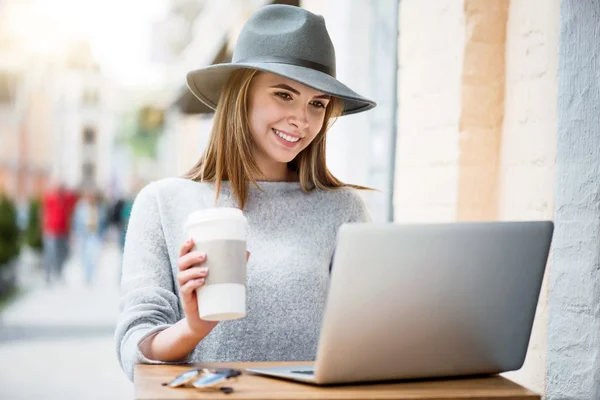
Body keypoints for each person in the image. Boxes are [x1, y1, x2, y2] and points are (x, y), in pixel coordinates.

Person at [115, 4, 376, 381]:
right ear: (242, 95)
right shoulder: (162, 203)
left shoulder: (343, 209)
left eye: (317, 104)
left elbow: (366, 335)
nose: (302, 119)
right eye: (284, 95)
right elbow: (134, 346)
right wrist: (194, 328)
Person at [72, 188, 108, 286]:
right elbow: (75, 222)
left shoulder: (99, 208)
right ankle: (87, 276)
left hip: (95, 235)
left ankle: (91, 274)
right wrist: (75, 234)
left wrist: (104, 235)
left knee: (94, 256)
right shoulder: (80, 208)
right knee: (85, 257)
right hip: (84, 236)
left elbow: (104, 222)